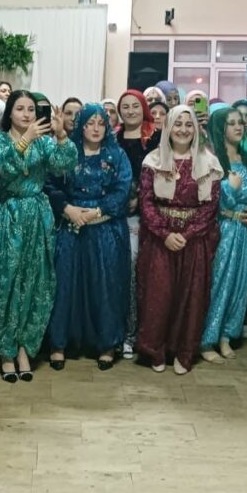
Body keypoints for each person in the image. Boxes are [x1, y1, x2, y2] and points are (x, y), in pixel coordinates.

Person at [0, 89, 76, 382]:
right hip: (7, 216)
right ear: (9, 112)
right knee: (4, 282)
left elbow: (63, 165)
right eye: (20, 108)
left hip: (37, 216)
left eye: (31, 109)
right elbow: (1, 167)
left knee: (36, 281)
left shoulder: (44, 142)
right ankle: (5, 350)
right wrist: (25, 140)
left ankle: (25, 347)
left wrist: (60, 136)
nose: (26, 114)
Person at [136, 105, 223, 374]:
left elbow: (211, 206)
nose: (183, 129)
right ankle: (156, 350)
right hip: (160, 240)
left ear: (195, 129)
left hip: (194, 240)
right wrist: (166, 234)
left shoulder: (208, 162)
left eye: (188, 124)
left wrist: (186, 234)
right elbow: (146, 202)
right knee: (158, 295)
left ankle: (184, 352)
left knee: (190, 296)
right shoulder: (153, 160)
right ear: (168, 127)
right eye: (177, 124)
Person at [47, 103, 132, 371]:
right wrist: (67, 209)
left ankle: (107, 344)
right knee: (66, 282)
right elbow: (50, 184)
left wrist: (97, 211)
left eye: (101, 123)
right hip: (71, 225)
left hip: (106, 228)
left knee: (105, 284)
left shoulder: (117, 155)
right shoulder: (67, 152)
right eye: (89, 123)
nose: (96, 129)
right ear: (80, 126)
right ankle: (59, 343)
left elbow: (123, 190)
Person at [200, 107, 247, 362]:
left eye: (241, 122)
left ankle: (226, 336)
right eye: (231, 123)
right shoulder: (210, 158)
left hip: (243, 232)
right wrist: (229, 187)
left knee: (238, 284)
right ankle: (206, 340)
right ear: (220, 128)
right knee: (217, 284)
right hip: (221, 230)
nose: (239, 127)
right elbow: (209, 199)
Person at [115, 90, 159, 358]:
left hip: (150, 215)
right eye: (125, 107)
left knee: (145, 274)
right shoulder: (114, 137)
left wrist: (140, 198)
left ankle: (141, 333)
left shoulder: (155, 137)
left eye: (135, 106)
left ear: (143, 108)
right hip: (118, 212)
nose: (130, 111)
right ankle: (123, 331)